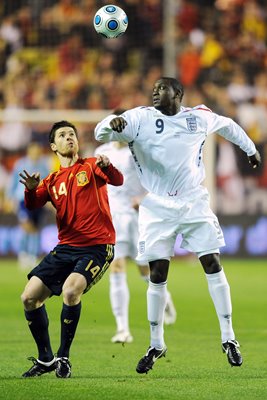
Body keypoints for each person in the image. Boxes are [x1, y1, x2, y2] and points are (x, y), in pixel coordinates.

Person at [94, 77, 261, 374]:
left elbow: (228, 126)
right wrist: (111, 123)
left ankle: (229, 338)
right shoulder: (140, 117)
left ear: (178, 94)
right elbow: (99, 131)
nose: (155, 91)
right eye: (154, 88)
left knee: (212, 262)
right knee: (156, 274)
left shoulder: (198, 117)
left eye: (162, 88)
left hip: (193, 201)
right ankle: (156, 343)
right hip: (156, 207)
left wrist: (250, 149)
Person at [19, 120, 123, 378]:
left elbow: (117, 180)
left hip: (97, 247)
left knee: (70, 290)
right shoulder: (52, 179)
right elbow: (33, 205)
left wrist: (108, 167)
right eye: (63, 135)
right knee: (29, 297)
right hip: (66, 247)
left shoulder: (91, 165)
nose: (69, 138)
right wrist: (31, 191)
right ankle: (45, 360)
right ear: (53, 146)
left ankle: (63, 356)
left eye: (72, 134)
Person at [94, 140, 177, 344]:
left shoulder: (141, 150)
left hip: (137, 217)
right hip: (113, 217)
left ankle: (165, 298)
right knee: (116, 267)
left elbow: (160, 179)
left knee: (144, 271)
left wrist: (143, 198)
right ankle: (122, 328)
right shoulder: (101, 152)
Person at [7, 141, 50, 268]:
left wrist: (48, 199)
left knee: (36, 228)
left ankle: (32, 255)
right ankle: (23, 253)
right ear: (29, 151)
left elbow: (46, 183)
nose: (35, 152)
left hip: (38, 200)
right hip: (22, 199)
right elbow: (13, 181)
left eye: (37, 150)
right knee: (26, 226)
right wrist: (10, 198)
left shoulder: (44, 165)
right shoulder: (20, 164)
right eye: (33, 150)